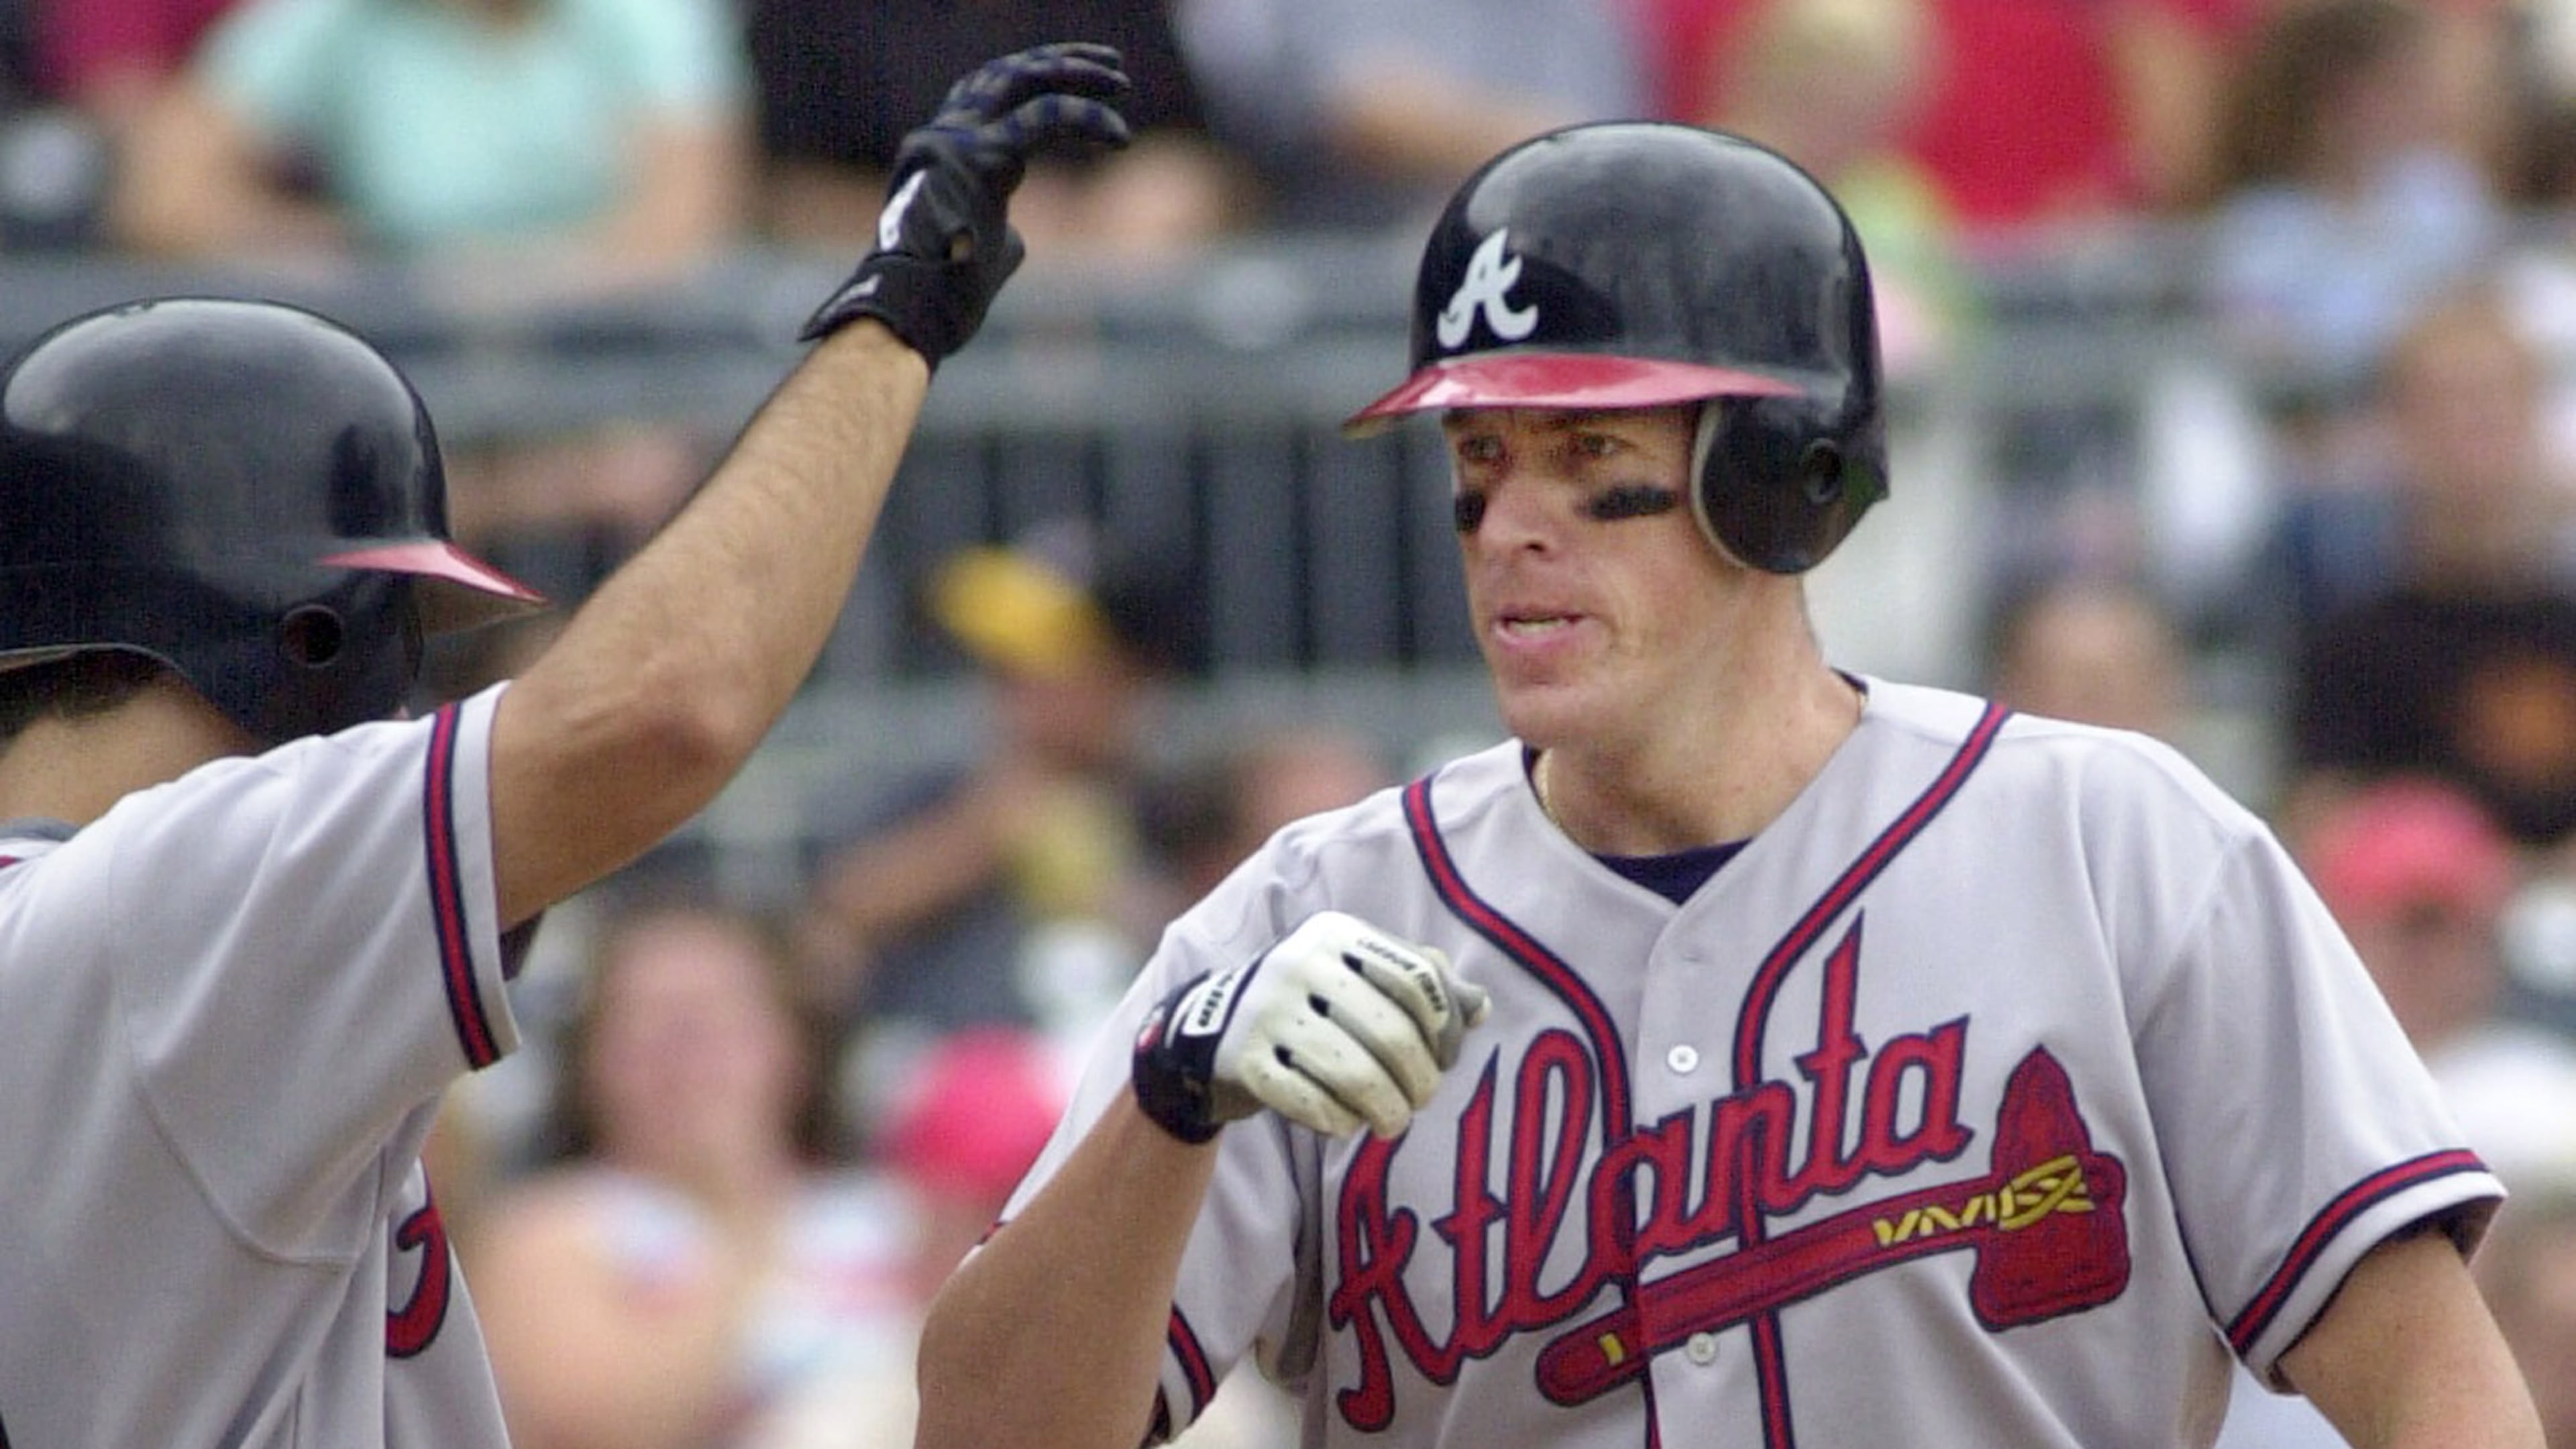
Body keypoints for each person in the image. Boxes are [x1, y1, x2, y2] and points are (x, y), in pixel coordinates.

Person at [910, 121, 2544, 1448]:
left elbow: (2429, 1383)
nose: (1509, 528)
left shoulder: (2116, 848)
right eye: (1476, 463)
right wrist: (1168, 1100)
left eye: (1588, 461)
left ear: (1789, 483)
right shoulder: (1301, 923)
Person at [0, 41, 1129, 1447]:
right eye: (395, 630)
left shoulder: (113, 945)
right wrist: (897, 314)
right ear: (300, 638)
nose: (408, 689)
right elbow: (661, 712)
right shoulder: (149, 920)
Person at [466, 893, 916, 1449]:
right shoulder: (553, 1229)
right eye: (649, 1023)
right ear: (591, 1062)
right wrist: (734, 1219)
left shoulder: (891, 1211)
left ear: (794, 1043)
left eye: (716, 1018)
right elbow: (592, 1430)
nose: (685, 1056)